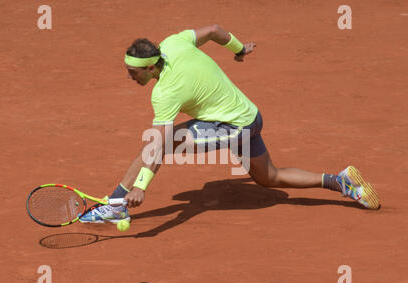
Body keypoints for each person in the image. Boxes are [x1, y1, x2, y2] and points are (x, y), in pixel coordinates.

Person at [79, 25, 380, 224]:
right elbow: (212, 29)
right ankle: (340, 181)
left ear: (150, 67)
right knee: (269, 177)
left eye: (133, 72)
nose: (129, 77)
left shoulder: (165, 92)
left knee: (164, 140)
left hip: (233, 127)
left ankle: (116, 203)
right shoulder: (173, 44)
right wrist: (237, 49)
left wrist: (141, 187)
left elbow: (158, 144)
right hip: (250, 115)